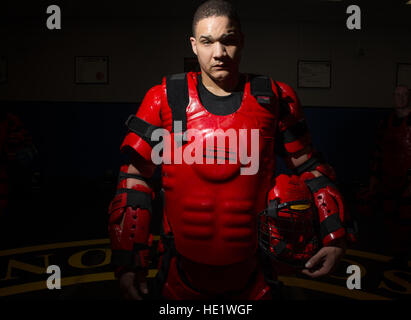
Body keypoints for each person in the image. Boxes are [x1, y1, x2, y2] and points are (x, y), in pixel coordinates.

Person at [108, 0, 353, 300]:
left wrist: (335, 237)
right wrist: (128, 262)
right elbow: (135, 180)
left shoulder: (274, 98)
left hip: (255, 274)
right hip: (178, 272)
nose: (219, 53)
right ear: (194, 45)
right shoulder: (162, 99)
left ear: (242, 41)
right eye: (208, 42)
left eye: (229, 40)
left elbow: (309, 167)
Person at [365, 85, 411, 259]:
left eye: (404, 95)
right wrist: (373, 180)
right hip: (388, 178)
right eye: (397, 95)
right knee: (388, 219)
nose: (400, 98)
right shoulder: (386, 122)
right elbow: (378, 152)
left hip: (407, 180)